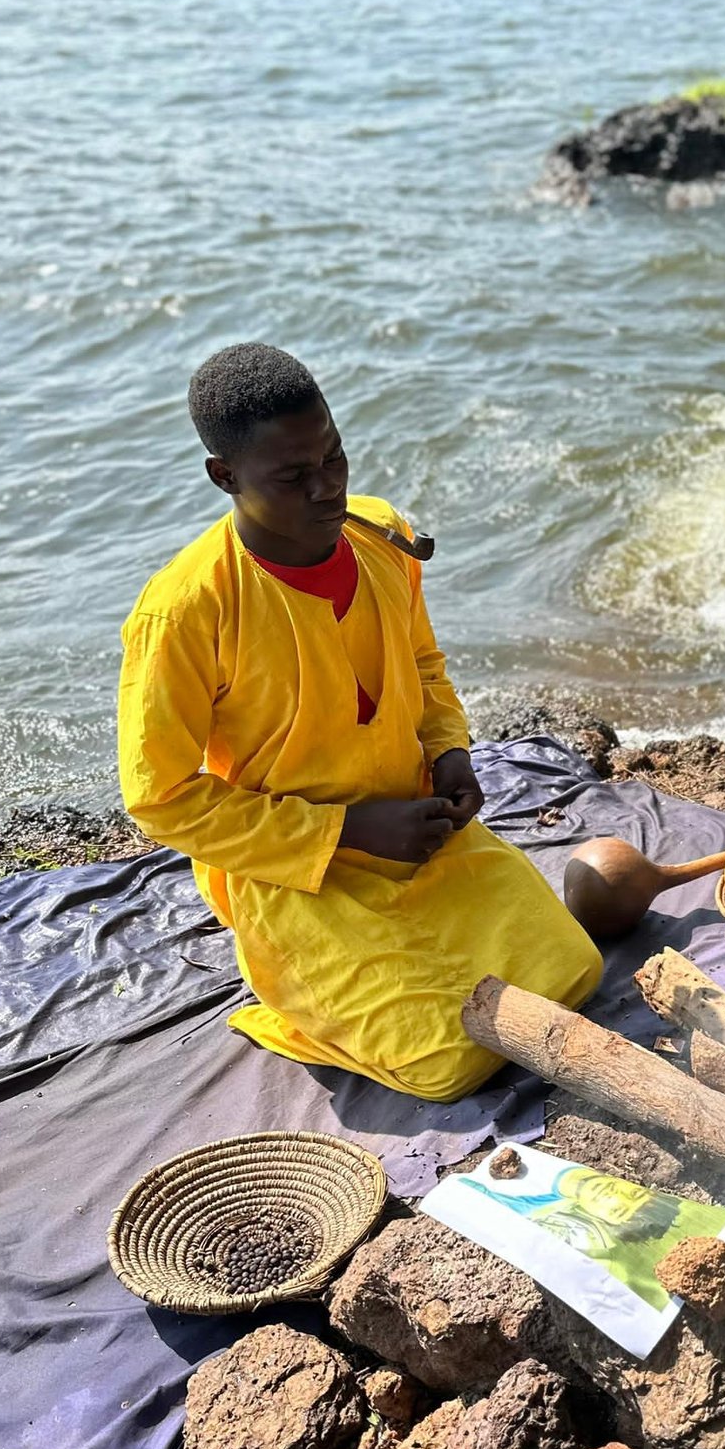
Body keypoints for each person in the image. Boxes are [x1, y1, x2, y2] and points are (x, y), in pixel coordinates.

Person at [117, 342, 603, 1100]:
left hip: (419, 832)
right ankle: (293, 1009)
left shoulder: (382, 538)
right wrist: (346, 830)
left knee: (574, 973)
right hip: (296, 872)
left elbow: (424, 665)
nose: (327, 488)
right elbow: (160, 798)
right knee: (448, 1062)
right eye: (294, 477)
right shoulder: (185, 612)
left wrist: (449, 753)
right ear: (225, 476)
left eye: (334, 456)